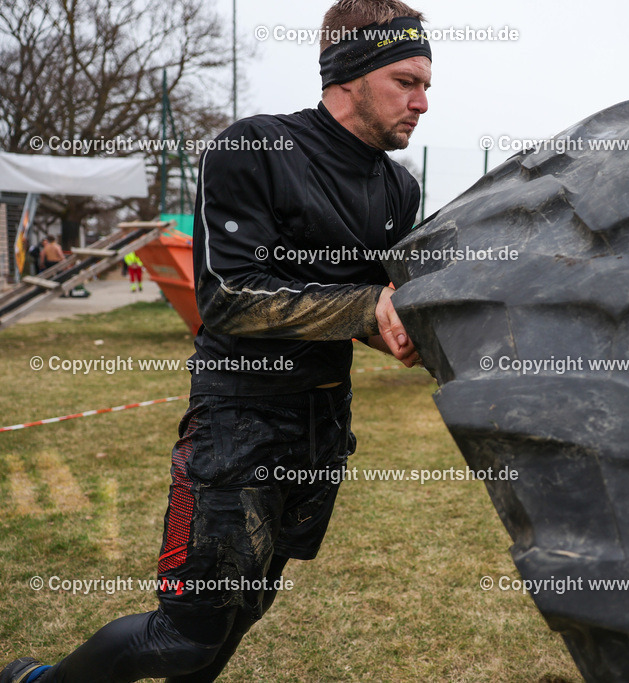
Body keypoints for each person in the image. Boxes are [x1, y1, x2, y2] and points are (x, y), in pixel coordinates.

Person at [2, 1, 429, 680]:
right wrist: (367, 306)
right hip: (239, 419)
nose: (424, 102)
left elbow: (371, 304)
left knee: (243, 608)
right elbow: (228, 298)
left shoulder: (399, 189)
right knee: (183, 634)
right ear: (350, 73)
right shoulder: (255, 148)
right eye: (407, 80)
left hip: (323, 425)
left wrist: (407, 330)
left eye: (427, 84)